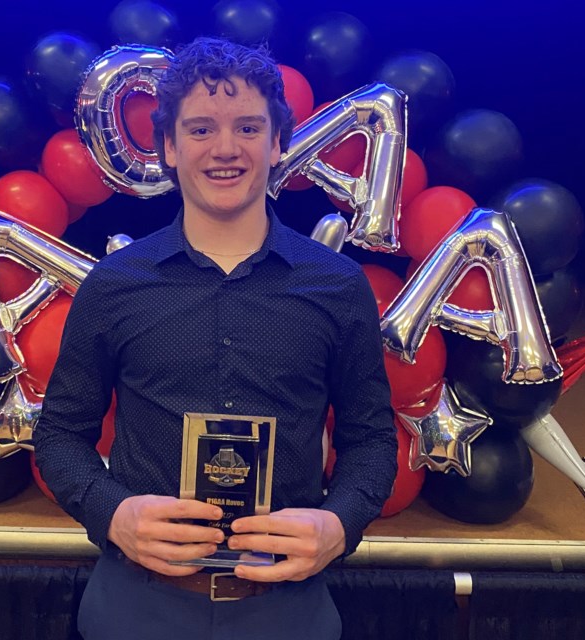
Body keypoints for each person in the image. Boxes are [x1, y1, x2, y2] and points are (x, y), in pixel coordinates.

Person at [33, 35, 397, 640]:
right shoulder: (115, 284)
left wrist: (339, 525)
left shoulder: (338, 285)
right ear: (169, 147)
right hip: (134, 609)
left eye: (248, 128)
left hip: (288, 611)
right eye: (200, 130)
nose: (225, 149)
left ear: (279, 142)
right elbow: (60, 436)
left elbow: (372, 440)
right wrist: (113, 514)